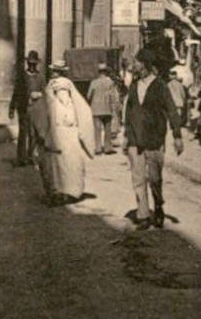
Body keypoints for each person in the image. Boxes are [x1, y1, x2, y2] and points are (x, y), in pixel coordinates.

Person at [123, 47, 184, 230]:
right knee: (138, 178)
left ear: (146, 65)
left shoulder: (160, 86)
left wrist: (177, 136)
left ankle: (158, 205)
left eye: (138, 62)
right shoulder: (134, 85)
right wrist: (127, 136)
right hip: (135, 138)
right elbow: (129, 110)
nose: (135, 65)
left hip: (154, 138)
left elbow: (172, 111)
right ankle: (143, 216)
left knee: (154, 179)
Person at [30, 60, 94, 206]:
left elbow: (42, 109)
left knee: (59, 165)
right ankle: (66, 192)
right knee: (66, 164)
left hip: (59, 133)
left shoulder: (54, 87)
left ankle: (59, 192)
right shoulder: (65, 87)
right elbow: (78, 111)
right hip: (64, 134)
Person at [9, 50, 45, 167]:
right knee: (23, 133)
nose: (32, 66)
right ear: (27, 64)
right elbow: (16, 93)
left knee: (33, 134)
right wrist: (12, 109)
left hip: (36, 109)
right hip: (23, 109)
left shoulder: (40, 77)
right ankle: (21, 158)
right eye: (30, 64)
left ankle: (31, 156)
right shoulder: (22, 77)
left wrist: (39, 95)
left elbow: (45, 93)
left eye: (34, 64)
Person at [87, 61, 122, 155]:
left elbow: (89, 96)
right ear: (106, 71)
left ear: (98, 72)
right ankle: (107, 148)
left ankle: (98, 148)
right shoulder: (110, 82)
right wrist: (115, 108)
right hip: (107, 108)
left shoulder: (93, 82)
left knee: (97, 130)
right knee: (108, 129)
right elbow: (113, 96)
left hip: (96, 109)